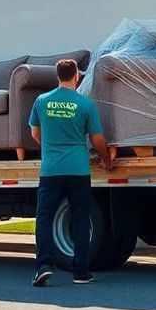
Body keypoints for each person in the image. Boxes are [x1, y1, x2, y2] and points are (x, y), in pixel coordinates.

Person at [29, 59, 112, 287]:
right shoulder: (85, 104)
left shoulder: (42, 101)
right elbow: (97, 139)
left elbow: (35, 133)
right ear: (76, 76)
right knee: (80, 218)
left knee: (44, 217)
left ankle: (43, 266)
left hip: (51, 169)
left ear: (58, 76)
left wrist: (50, 146)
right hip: (78, 169)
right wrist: (106, 158)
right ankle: (81, 272)